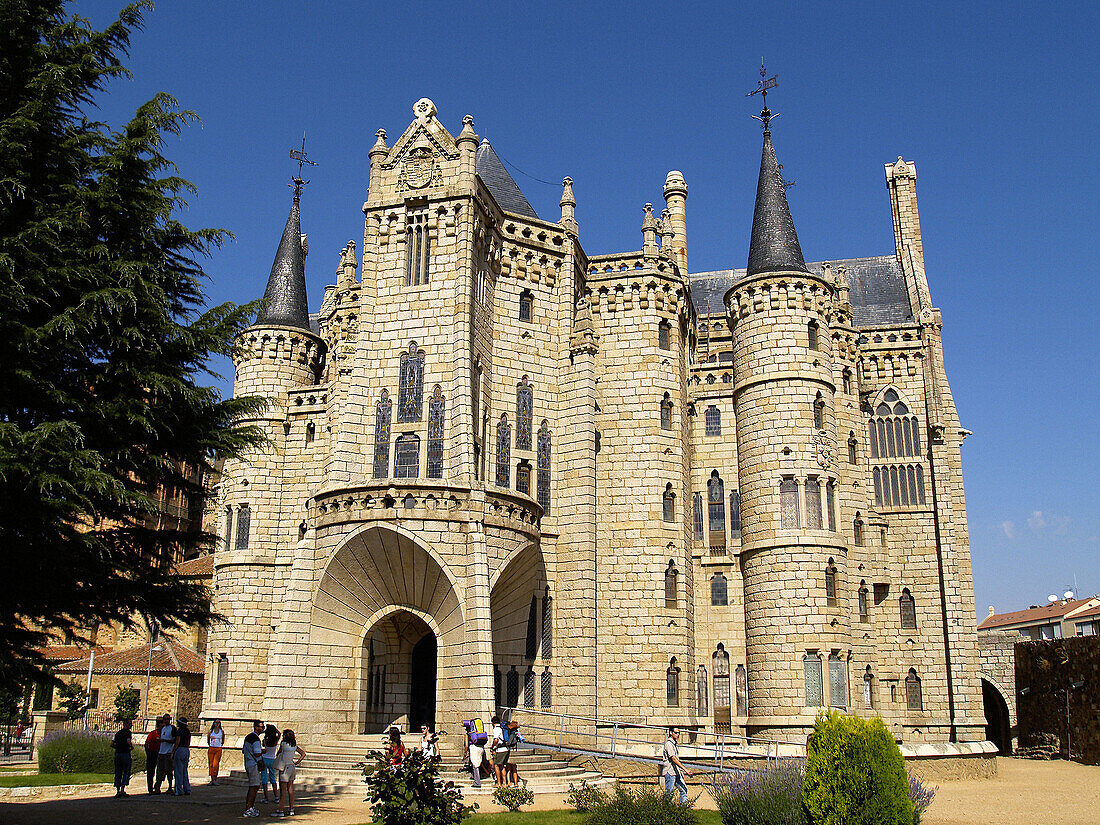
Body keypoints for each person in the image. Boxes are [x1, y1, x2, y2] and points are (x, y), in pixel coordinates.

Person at [272, 729, 305, 818]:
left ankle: (280, 810)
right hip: (292, 766)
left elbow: (278, 753)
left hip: (285, 768)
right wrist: (297, 762)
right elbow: (303, 753)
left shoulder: (283, 744)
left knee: (283, 791)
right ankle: (291, 809)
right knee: (290, 789)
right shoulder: (294, 746)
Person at [661, 726, 691, 804]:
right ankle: (666, 810)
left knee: (684, 789)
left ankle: (683, 809)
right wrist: (685, 769)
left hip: (676, 772)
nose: (678, 735)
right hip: (670, 772)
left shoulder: (674, 744)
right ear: (671, 733)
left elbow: (676, 759)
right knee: (669, 794)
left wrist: (680, 771)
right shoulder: (668, 744)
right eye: (676, 733)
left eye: (679, 733)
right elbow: (673, 758)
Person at [242, 720, 265, 817]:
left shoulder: (248, 737)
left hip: (248, 763)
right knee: (254, 786)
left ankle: (250, 806)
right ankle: (248, 808)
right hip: (253, 764)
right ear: (256, 727)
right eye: (261, 727)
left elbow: (244, 750)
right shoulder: (255, 739)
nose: (263, 729)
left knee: (254, 786)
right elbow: (257, 753)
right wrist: (264, 752)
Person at [153, 713, 176, 793]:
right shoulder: (163, 729)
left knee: (168, 770)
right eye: (165, 719)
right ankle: (158, 787)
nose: (166, 721)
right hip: (161, 752)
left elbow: (174, 740)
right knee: (159, 770)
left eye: (167, 719)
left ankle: (170, 787)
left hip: (168, 752)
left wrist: (165, 741)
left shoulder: (172, 728)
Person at [111, 718, 133, 797]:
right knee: (126, 771)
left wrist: (117, 747)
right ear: (126, 724)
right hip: (125, 753)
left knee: (118, 772)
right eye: (130, 723)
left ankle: (118, 790)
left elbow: (112, 744)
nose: (131, 725)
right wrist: (131, 747)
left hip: (118, 754)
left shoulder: (117, 733)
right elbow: (128, 742)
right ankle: (123, 789)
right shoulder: (127, 733)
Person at [463, 720, 488, 788]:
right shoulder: (477, 733)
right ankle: (475, 777)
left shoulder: (468, 734)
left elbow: (466, 746)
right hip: (481, 747)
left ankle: (477, 782)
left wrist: (465, 754)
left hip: (474, 748)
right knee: (477, 763)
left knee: (475, 765)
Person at [261, 724, 281, 803]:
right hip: (272, 760)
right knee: (273, 778)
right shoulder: (275, 740)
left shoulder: (265, 740)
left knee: (264, 778)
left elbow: (263, 746)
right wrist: (275, 729)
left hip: (264, 759)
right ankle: (276, 796)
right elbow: (279, 734)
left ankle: (266, 797)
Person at [172, 717, 192, 796]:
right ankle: (187, 789)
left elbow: (177, 742)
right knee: (184, 771)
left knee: (178, 771)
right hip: (186, 750)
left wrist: (172, 752)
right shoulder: (188, 731)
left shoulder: (179, 731)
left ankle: (178, 790)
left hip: (180, 749)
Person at [490, 715, 510, 786]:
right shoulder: (502, 727)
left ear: (493, 723)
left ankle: (499, 782)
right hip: (506, 749)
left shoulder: (496, 729)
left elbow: (496, 740)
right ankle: (504, 782)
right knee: (502, 766)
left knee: (496, 765)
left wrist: (492, 746)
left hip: (500, 749)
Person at [143, 719, 162, 794]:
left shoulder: (163, 734)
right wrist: (148, 753)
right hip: (152, 753)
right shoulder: (152, 734)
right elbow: (147, 743)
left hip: (160, 753)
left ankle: (157, 786)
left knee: (160, 771)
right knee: (150, 772)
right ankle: (150, 789)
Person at [505, 721, 525, 787]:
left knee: (508, 768)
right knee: (514, 769)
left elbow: (509, 742)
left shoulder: (511, 733)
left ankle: (509, 782)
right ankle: (516, 783)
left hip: (510, 750)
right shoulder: (517, 733)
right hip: (514, 750)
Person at [206, 720, 224, 785]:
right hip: (211, 748)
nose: (217, 724)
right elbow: (208, 739)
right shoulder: (211, 731)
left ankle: (215, 779)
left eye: (218, 723)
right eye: (216, 722)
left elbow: (223, 740)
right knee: (211, 764)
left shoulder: (221, 731)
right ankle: (212, 779)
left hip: (218, 748)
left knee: (215, 764)